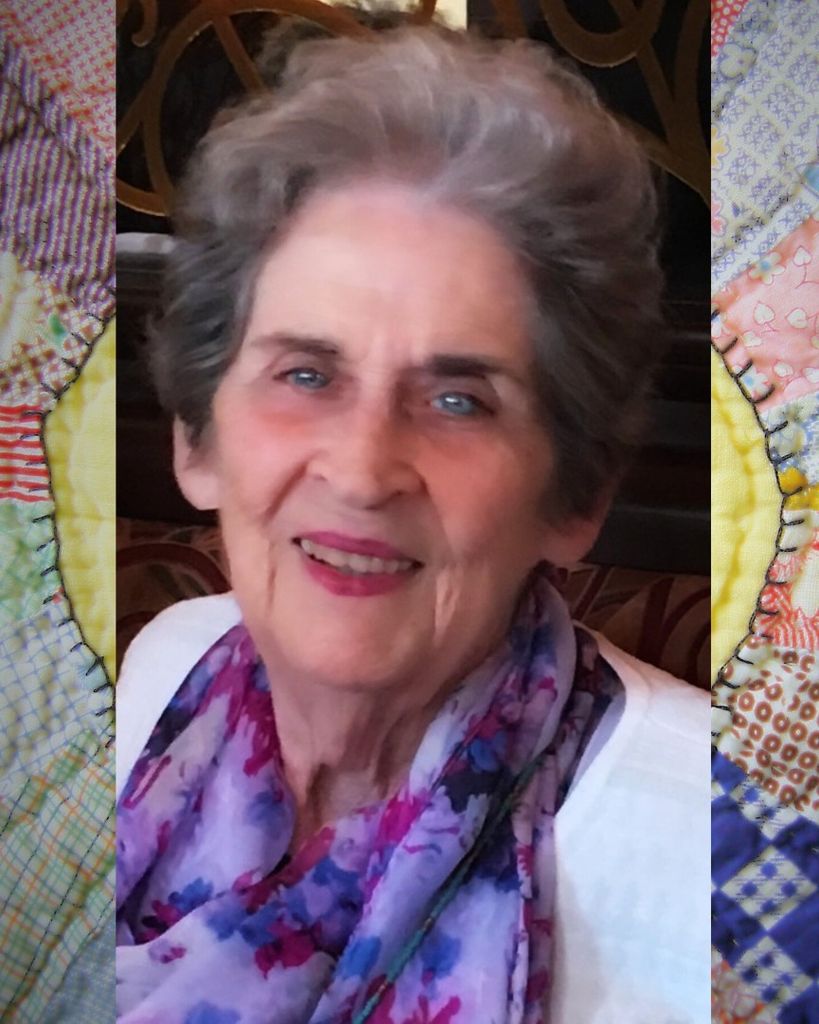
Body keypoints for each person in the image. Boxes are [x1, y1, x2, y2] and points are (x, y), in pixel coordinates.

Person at [116, 25, 709, 1023]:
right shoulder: (163, 671)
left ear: (576, 498)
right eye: (306, 374)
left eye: (458, 400)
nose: (360, 470)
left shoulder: (712, 847)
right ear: (196, 439)